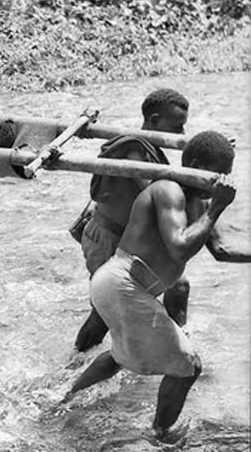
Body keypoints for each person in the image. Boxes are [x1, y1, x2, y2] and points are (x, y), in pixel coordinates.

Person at [67, 130, 236, 443]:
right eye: (219, 174)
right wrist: (217, 209)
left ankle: (62, 402)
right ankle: (160, 436)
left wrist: (211, 210)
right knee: (189, 366)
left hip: (125, 286)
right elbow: (179, 247)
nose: (222, 182)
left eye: (227, 175)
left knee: (121, 355)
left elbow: (223, 250)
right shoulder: (168, 191)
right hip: (123, 282)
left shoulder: (196, 202)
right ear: (196, 165)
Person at [74, 88, 190, 352]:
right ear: (154, 121)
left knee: (179, 286)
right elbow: (157, 192)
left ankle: (176, 348)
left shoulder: (147, 149)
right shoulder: (134, 151)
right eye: (178, 127)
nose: (182, 134)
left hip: (130, 242)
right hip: (108, 239)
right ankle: (75, 362)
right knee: (103, 315)